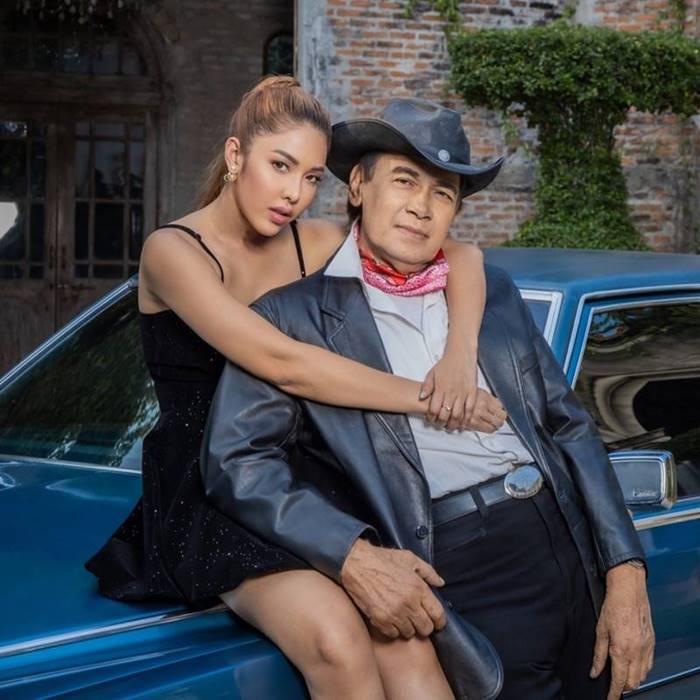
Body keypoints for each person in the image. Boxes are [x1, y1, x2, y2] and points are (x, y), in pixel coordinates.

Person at [201, 98, 656, 700]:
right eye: (404, 180)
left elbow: (568, 425)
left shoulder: (491, 292)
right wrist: (349, 553)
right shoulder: (294, 318)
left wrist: (625, 570)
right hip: (460, 562)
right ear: (358, 186)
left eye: (442, 193)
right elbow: (238, 462)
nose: (421, 205)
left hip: (570, 539)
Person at [86, 77, 506, 700]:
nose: (294, 194)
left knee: (410, 646)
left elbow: (463, 257)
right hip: (210, 489)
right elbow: (282, 363)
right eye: (280, 166)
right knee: (338, 640)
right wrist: (435, 400)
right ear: (236, 156)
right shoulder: (172, 251)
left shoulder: (317, 243)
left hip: (311, 484)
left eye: (311, 178)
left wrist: (458, 358)